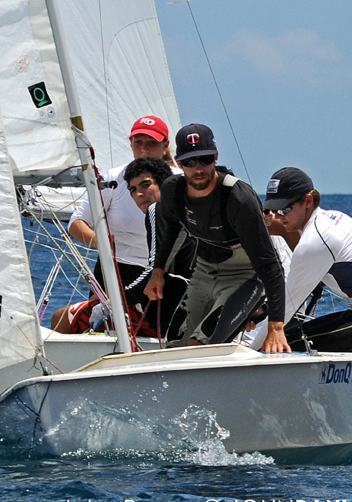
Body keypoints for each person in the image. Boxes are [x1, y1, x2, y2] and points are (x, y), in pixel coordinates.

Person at [144, 123, 288, 349]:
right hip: (204, 272)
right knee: (174, 346)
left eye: (205, 159)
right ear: (179, 163)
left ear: (216, 157)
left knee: (198, 345)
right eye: (190, 162)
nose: (198, 168)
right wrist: (158, 272)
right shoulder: (172, 190)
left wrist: (276, 327)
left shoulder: (239, 198)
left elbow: (270, 264)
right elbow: (172, 228)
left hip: (244, 277)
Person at [259, 167, 352, 354]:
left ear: (308, 201)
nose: (279, 216)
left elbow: (286, 306)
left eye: (284, 209)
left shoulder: (315, 240)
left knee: (281, 342)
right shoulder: (333, 218)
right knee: (288, 336)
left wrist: (252, 351)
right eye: (274, 210)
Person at [52, 116, 176, 333]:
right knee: (66, 320)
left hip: (162, 273)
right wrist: (100, 242)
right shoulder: (113, 179)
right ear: (131, 144)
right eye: (138, 142)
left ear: (165, 145)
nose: (144, 149)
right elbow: (77, 222)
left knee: (151, 331)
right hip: (115, 269)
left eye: (152, 143)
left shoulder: (178, 183)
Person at [123, 157, 194, 334]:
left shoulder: (157, 209)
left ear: (164, 185)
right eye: (133, 190)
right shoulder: (188, 210)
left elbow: (158, 270)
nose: (139, 194)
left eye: (145, 185)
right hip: (196, 310)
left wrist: (119, 298)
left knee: (65, 316)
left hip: (169, 320)